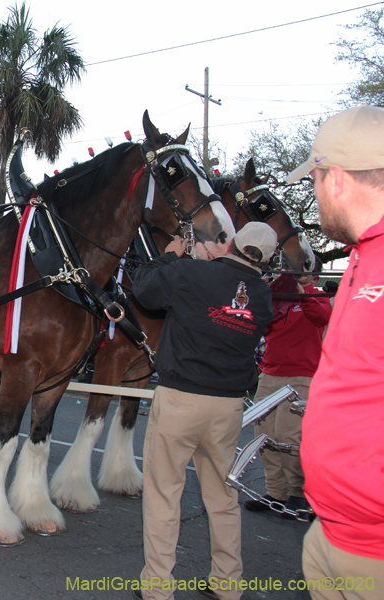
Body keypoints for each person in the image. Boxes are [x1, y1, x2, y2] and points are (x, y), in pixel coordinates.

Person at [132, 222, 276, 600]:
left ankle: (158, 587)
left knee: (164, 494)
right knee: (222, 497)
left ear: (230, 242)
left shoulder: (193, 271)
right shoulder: (261, 296)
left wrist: (175, 254)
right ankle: (227, 582)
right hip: (227, 406)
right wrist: (209, 264)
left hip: (182, 398)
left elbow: (143, 286)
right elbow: (232, 290)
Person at [284, 105, 384, 598]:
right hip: (330, 533)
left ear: (337, 179)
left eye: (316, 179)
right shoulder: (363, 257)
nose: (314, 191)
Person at [244, 254, 331, 519]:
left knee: (289, 436)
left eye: (301, 272)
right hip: (271, 373)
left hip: (302, 376)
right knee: (265, 434)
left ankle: (298, 494)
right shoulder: (279, 297)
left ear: (314, 276)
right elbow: (262, 327)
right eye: (291, 271)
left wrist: (301, 290)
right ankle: (275, 492)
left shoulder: (317, 297)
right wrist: (269, 292)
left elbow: (321, 316)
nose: (294, 275)